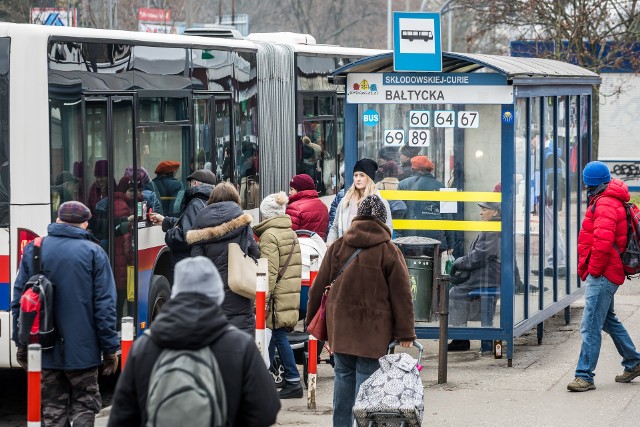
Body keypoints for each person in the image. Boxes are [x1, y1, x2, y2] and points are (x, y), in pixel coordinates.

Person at [107, 256, 281, 426]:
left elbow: (121, 418)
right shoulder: (239, 346)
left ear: (176, 294)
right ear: (218, 296)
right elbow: (267, 411)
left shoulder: (144, 347)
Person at [306, 195, 416, 426]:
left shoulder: (338, 246)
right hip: (373, 332)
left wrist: (311, 321)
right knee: (367, 385)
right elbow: (402, 296)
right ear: (383, 219)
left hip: (341, 328)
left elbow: (317, 288)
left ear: (358, 216)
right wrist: (406, 334)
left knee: (343, 378)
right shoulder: (389, 251)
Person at [11, 201, 119, 426]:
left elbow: (20, 300)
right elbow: (105, 306)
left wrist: (21, 342)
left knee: (52, 408)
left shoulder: (35, 248)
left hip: (44, 344)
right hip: (84, 350)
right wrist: (109, 348)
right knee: (84, 404)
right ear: (85, 223)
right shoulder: (94, 253)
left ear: (58, 220)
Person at [567, 161, 640, 392]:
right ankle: (634, 361)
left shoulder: (606, 203)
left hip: (604, 272)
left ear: (590, 183)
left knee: (589, 326)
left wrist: (593, 271)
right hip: (609, 270)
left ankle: (584, 375)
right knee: (608, 320)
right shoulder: (609, 198)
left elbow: (602, 243)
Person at [186, 182, 260, 334]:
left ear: (212, 198)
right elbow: (255, 252)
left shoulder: (201, 220)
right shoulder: (241, 219)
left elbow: (196, 264)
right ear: (235, 198)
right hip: (239, 292)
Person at [253, 192, 303, 399]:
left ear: (266, 214)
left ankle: (293, 380)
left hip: (277, 296)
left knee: (279, 335)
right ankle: (266, 375)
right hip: (288, 292)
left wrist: (261, 300)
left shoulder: (269, 236)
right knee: (274, 334)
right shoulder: (289, 232)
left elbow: (269, 273)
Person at [447, 201, 501, 352]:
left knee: (455, 293)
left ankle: (460, 339)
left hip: (487, 276)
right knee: (458, 289)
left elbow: (480, 256)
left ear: (495, 213)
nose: (481, 213)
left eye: (484, 210)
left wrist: (459, 262)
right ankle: (462, 336)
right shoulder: (493, 228)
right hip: (490, 274)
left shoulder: (493, 229)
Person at [151, 169, 217, 264]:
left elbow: (184, 236)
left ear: (195, 183)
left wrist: (170, 234)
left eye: (190, 183)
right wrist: (165, 221)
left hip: (189, 263)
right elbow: (194, 224)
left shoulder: (196, 203)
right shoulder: (214, 202)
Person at [327, 159, 393, 245]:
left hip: (369, 252)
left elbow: (387, 229)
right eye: (356, 175)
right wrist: (330, 244)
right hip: (345, 250)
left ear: (369, 178)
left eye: (362, 175)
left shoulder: (380, 202)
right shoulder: (346, 200)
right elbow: (335, 226)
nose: (358, 179)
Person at [398, 155, 455, 253]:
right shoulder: (441, 186)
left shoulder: (403, 184)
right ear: (430, 171)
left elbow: (399, 212)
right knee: (434, 266)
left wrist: (398, 237)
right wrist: (451, 243)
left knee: (410, 265)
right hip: (435, 237)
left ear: (414, 169)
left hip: (410, 237)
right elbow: (448, 216)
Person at [532, 144, 567, 277]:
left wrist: (549, 196)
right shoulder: (548, 153)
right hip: (546, 197)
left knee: (552, 231)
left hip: (548, 198)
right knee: (551, 231)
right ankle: (555, 264)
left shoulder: (548, 154)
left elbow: (553, 178)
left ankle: (559, 265)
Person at [286, 173, 329, 240]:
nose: (289, 192)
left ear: (300, 190)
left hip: (301, 248)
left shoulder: (294, 208)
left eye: (291, 189)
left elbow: (288, 236)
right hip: (319, 247)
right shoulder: (323, 206)